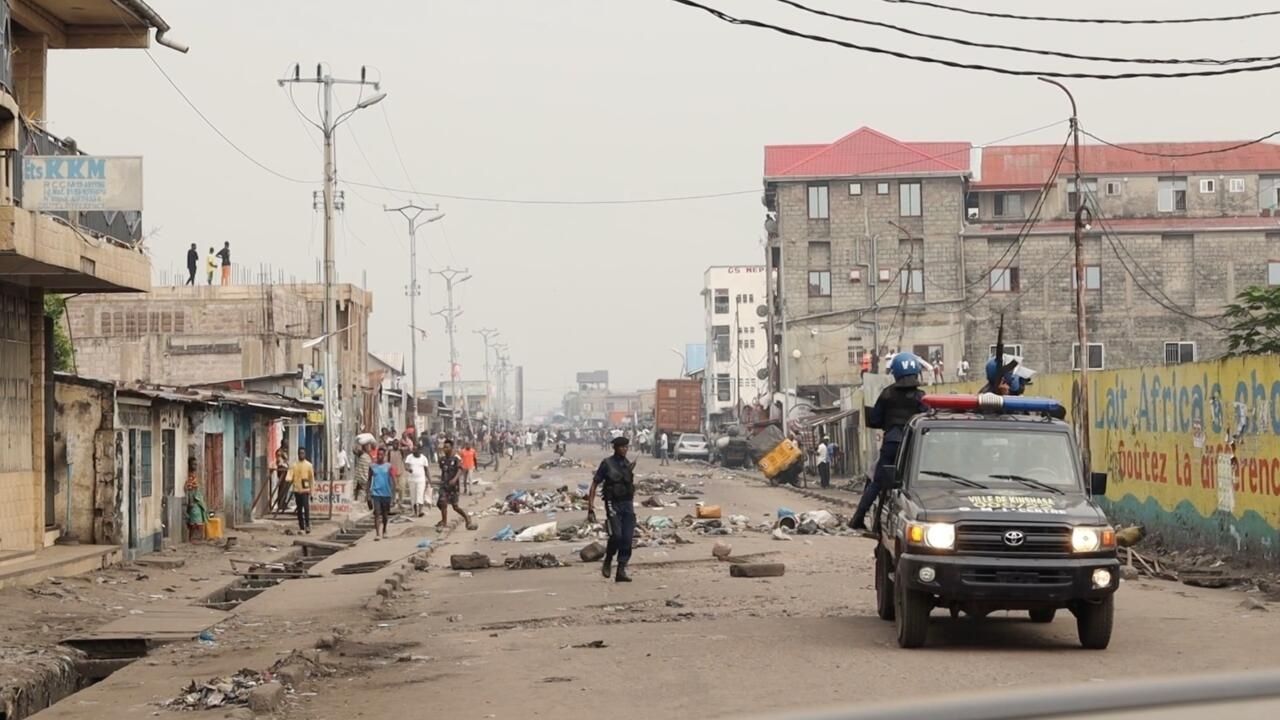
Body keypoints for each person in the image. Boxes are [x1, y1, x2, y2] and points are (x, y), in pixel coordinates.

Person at [850, 353, 928, 531]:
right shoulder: (921, 396)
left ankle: (858, 518)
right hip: (913, 447)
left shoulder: (887, 394)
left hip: (891, 444)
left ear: (895, 373)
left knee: (878, 481)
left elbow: (875, 419)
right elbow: (928, 419)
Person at [587, 436, 637, 583]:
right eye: (622, 447)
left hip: (627, 504)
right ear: (615, 448)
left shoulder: (627, 464)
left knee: (627, 538)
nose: (625, 449)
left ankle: (621, 569)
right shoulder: (607, 464)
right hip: (612, 503)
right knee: (616, 535)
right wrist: (590, 506)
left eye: (626, 447)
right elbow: (595, 484)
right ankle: (608, 559)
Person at [436, 439, 477, 531]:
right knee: (442, 502)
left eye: (447, 447)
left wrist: (455, 479)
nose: (445, 449)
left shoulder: (456, 458)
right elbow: (442, 469)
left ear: (451, 448)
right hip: (444, 485)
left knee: (455, 506)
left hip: (453, 486)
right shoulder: (442, 459)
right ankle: (444, 522)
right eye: (444, 447)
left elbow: (460, 469)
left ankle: (467, 518)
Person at [286, 447, 315, 534]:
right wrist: (288, 479)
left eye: (303, 453)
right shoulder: (294, 465)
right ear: (298, 454)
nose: (301, 454)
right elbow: (290, 475)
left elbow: (311, 479)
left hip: (305, 490)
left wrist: (312, 492)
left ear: (305, 454)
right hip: (297, 490)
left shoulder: (309, 465)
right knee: (299, 509)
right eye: (300, 453)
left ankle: (307, 526)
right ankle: (301, 527)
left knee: (306, 508)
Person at [369, 452, 396, 540]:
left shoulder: (388, 466)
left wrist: (393, 494)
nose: (380, 456)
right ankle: (377, 534)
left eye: (381, 455)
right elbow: (369, 480)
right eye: (378, 455)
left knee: (385, 514)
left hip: (386, 493)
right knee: (377, 513)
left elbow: (392, 480)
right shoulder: (372, 467)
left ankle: (384, 530)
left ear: (384, 456)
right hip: (376, 493)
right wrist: (368, 494)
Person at [404, 445, 432, 517]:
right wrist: (408, 469)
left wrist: (429, 479)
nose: (413, 451)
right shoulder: (409, 457)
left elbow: (426, 470)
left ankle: (420, 511)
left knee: (420, 495)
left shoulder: (423, 458)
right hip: (412, 480)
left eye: (415, 450)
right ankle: (415, 512)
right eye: (413, 449)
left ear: (420, 450)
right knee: (413, 496)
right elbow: (406, 465)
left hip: (421, 480)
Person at [184, 458, 208, 541]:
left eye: (196, 464)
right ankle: (192, 538)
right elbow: (190, 490)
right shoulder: (190, 476)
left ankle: (199, 538)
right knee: (194, 522)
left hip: (197, 500)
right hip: (194, 501)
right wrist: (190, 501)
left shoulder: (194, 475)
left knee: (199, 520)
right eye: (193, 464)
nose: (195, 466)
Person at [273, 448, 292, 514]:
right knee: (282, 487)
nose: (287, 445)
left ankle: (283, 502)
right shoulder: (279, 451)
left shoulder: (284, 451)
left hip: (285, 469)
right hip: (282, 469)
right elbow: (279, 460)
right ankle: (280, 503)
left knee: (285, 487)